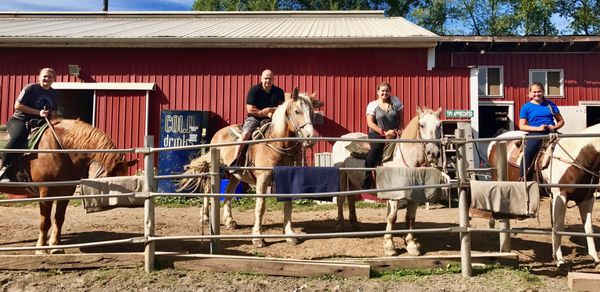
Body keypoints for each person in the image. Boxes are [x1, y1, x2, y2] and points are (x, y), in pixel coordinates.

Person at [0, 68, 58, 182]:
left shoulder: (54, 93)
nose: (47, 78)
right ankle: (2, 169)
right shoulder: (31, 88)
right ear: (39, 78)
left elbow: (54, 111)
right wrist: (39, 113)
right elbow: (17, 106)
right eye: (45, 76)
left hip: (40, 123)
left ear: (53, 79)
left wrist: (54, 121)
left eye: (50, 77)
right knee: (18, 137)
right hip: (20, 120)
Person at [230, 69, 285, 167]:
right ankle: (235, 160)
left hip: (272, 119)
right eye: (266, 78)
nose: (267, 81)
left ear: (273, 80)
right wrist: (263, 113)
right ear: (261, 78)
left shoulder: (279, 92)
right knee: (245, 135)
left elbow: (282, 108)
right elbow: (250, 109)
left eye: (270, 79)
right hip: (254, 118)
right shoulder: (254, 90)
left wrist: (270, 109)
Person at [362, 82, 404, 190]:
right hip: (377, 133)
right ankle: (367, 177)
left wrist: (398, 129)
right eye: (382, 91)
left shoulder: (396, 101)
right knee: (375, 149)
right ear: (378, 92)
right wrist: (384, 133)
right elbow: (370, 123)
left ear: (390, 92)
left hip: (393, 133)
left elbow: (401, 118)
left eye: (387, 91)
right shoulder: (372, 105)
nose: (385, 93)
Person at [518, 82, 564, 178]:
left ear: (543, 92)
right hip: (536, 134)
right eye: (534, 92)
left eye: (539, 91)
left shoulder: (550, 105)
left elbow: (561, 121)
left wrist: (555, 127)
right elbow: (522, 126)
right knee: (528, 153)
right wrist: (538, 128)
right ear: (530, 93)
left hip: (552, 132)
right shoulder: (526, 107)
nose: (537, 94)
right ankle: (523, 178)